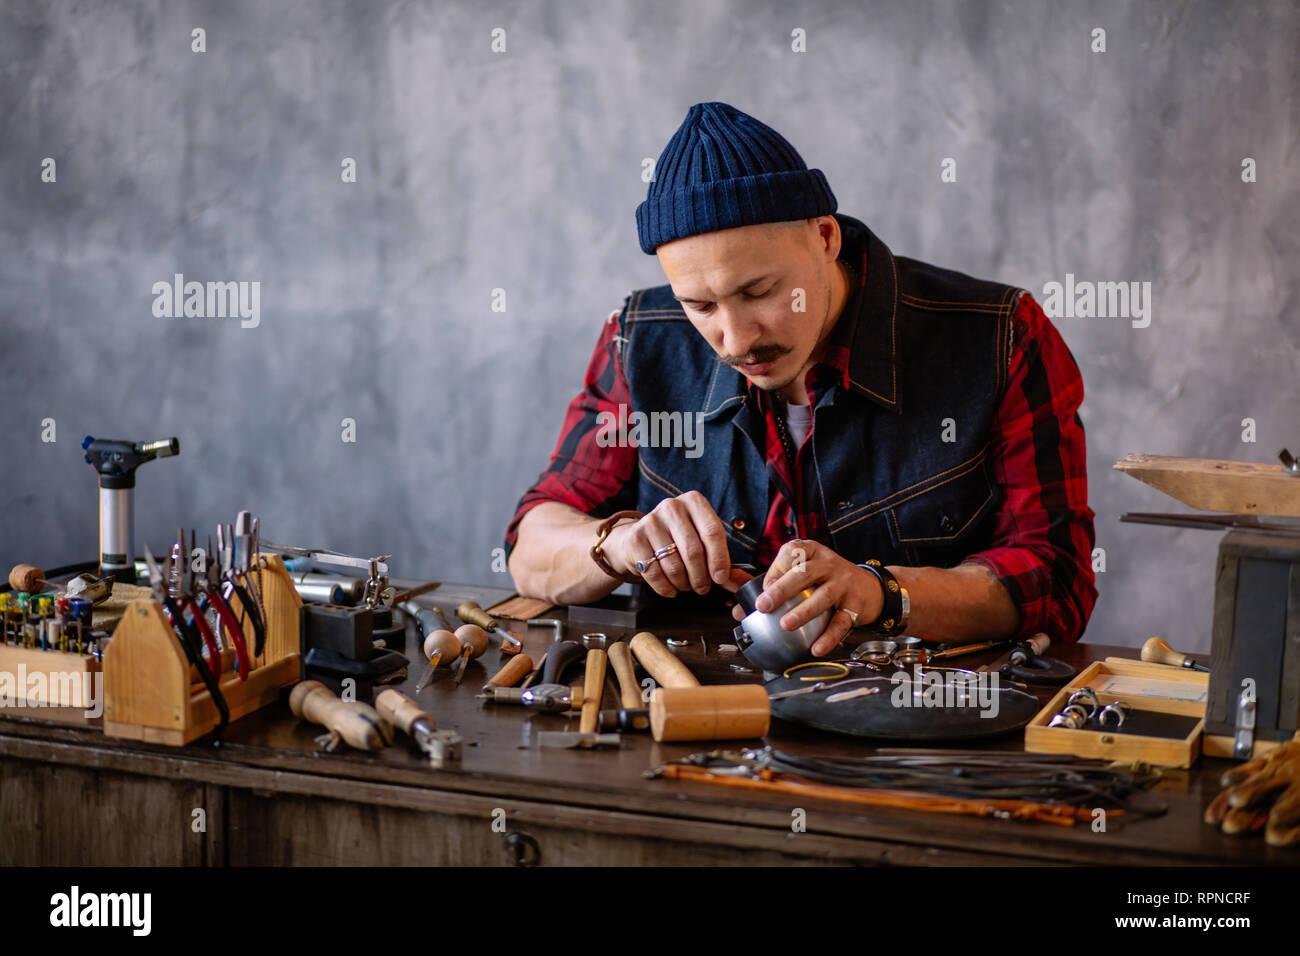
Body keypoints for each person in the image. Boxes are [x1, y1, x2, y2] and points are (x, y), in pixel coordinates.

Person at [504, 101, 1097, 656]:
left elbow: (1060, 579)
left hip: (920, 727)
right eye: (701, 307)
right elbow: (531, 545)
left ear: (825, 237)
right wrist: (617, 546)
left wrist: (884, 594)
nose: (736, 342)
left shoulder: (1002, 338)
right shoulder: (639, 339)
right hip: (688, 715)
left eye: (758, 291)